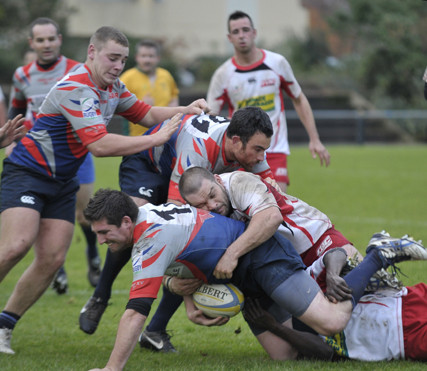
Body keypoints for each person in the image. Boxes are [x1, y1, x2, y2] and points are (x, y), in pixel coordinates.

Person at [0, 25, 209, 355]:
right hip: (27, 172)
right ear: (92, 53)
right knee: (16, 246)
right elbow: (98, 144)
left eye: (123, 60)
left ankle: (3, 326)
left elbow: (148, 113)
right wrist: (154, 138)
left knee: (52, 258)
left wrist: (186, 110)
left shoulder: (113, 88)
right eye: (112, 58)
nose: (117, 66)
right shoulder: (76, 88)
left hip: (62, 182)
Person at [82, 189, 426, 370]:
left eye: (104, 232)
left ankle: (379, 253)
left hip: (263, 257)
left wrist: (112, 369)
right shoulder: (147, 211)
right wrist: (188, 297)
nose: (101, 241)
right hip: (243, 281)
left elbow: (135, 312)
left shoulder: (150, 237)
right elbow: (187, 252)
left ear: (127, 221)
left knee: (333, 320)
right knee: (283, 357)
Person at [79, 106, 277, 337]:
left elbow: (273, 195)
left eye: (264, 150)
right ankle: (100, 296)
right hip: (148, 164)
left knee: (204, 241)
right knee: (134, 229)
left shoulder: (249, 145)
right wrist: (179, 289)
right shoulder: (198, 148)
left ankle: (155, 331)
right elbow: (175, 225)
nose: (262, 157)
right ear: (235, 142)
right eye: (258, 150)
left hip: (190, 178)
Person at [6, 17, 100, 293]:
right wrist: (12, 140)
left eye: (51, 39)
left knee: (84, 214)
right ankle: (56, 271)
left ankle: (93, 256)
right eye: (40, 40)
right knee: (38, 214)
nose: (46, 44)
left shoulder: (78, 70)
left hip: (76, 154)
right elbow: (16, 112)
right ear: (31, 43)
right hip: (38, 158)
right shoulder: (22, 75)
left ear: (59, 39)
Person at [207, 10, 330, 192]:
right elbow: (211, 117)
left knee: (278, 206)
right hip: (241, 152)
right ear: (229, 38)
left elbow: (298, 98)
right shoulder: (223, 74)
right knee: (242, 210)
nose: (242, 36)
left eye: (245, 30)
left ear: (254, 33)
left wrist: (314, 139)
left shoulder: (277, 63)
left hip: (274, 149)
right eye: (236, 32)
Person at [243, 266, 427, 361]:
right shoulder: (289, 338)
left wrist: (272, 326)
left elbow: (325, 352)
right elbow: (325, 352)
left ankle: (376, 258)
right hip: (400, 333)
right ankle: (376, 258)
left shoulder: (303, 282)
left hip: (403, 311)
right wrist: (272, 326)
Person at [120, 39, 179, 136]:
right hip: (137, 137)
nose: (147, 60)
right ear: (137, 57)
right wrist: (141, 106)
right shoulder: (126, 78)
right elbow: (117, 104)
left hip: (166, 134)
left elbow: (174, 95)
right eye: (143, 56)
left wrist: (173, 110)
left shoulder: (166, 75)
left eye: (151, 56)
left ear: (158, 58)